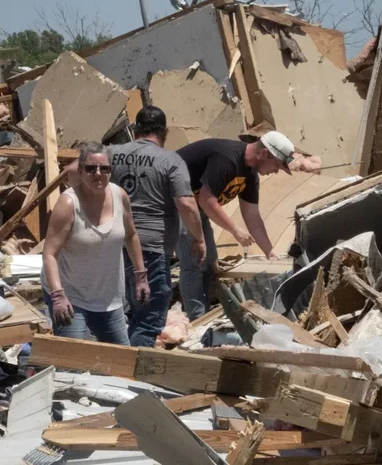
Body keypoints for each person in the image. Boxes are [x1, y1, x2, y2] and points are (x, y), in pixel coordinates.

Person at [67, 106, 206, 346]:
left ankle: (112, 365)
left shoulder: (110, 153)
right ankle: (131, 375)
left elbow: (71, 171)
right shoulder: (171, 160)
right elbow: (186, 203)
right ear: (165, 133)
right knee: (149, 320)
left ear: (135, 129)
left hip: (110, 246)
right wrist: (199, 237)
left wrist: (87, 205)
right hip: (150, 249)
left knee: (118, 313)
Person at [176, 131, 296, 320]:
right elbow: (207, 200)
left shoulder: (250, 174)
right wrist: (235, 230)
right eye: (277, 165)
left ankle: (202, 312)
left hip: (195, 209)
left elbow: (252, 216)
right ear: (264, 153)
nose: (276, 170)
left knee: (209, 261)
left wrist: (270, 253)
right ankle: (197, 318)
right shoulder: (228, 159)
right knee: (194, 262)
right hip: (176, 204)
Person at [42, 141, 150, 345]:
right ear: (81, 171)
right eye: (91, 168)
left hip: (108, 296)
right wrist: (57, 296)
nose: (98, 174)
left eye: (104, 168)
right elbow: (49, 253)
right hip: (70, 295)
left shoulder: (120, 196)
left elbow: (131, 235)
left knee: (121, 360)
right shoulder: (68, 204)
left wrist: (141, 276)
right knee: (73, 365)